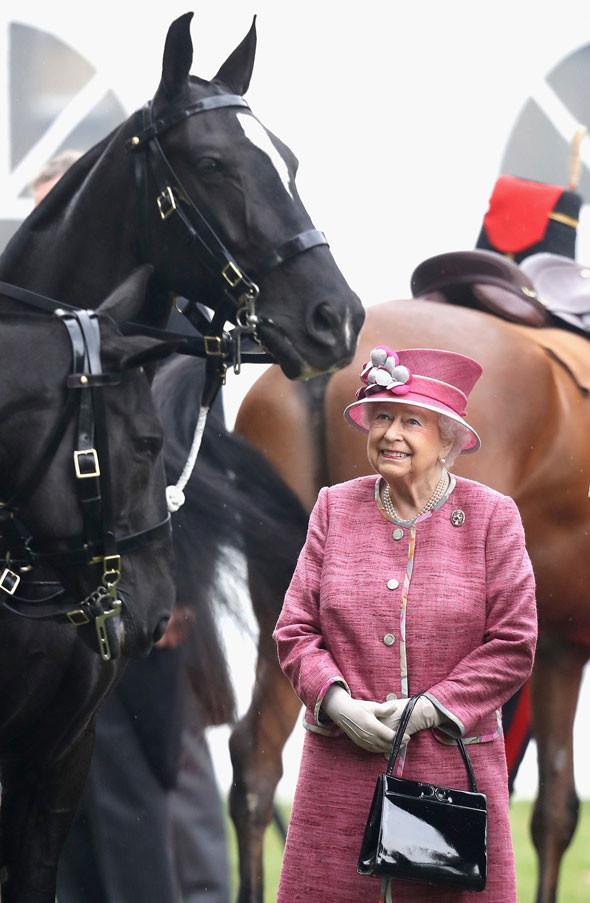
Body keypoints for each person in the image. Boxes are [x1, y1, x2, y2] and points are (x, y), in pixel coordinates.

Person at [273, 345, 537, 903]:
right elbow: (295, 631)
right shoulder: (333, 508)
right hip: (339, 776)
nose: (391, 432)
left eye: (411, 420)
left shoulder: (494, 517)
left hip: (451, 775)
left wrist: (431, 709)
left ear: (448, 440)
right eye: (382, 417)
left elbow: (513, 644)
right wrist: (338, 704)